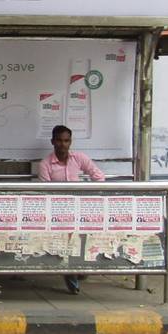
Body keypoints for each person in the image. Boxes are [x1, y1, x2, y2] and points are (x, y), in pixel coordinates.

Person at [35, 125, 104, 295]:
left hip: (80, 208)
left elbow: (99, 176)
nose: (63, 144)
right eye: (59, 140)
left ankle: (79, 268)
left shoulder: (79, 158)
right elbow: (45, 193)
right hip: (57, 211)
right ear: (53, 141)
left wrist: (90, 198)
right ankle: (70, 274)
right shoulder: (45, 164)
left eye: (66, 140)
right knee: (66, 241)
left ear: (70, 142)